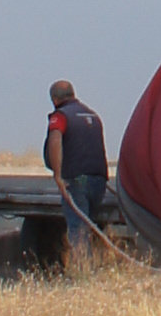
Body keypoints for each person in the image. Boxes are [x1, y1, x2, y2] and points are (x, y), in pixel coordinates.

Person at [42, 77, 114, 221]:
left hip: (78, 180)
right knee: (90, 224)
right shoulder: (93, 115)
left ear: (55, 99)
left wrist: (57, 175)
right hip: (99, 180)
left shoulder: (60, 116)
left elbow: (55, 140)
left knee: (78, 229)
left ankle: (79, 245)